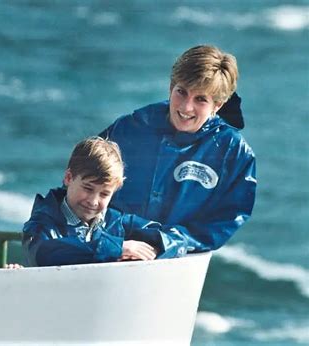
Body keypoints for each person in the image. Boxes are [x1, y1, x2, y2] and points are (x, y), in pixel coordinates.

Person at [99, 45, 257, 253]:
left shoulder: (234, 152)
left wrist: (166, 243)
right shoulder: (128, 129)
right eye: (181, 92)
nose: (186, 107)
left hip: (174, 263)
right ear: (171, 87)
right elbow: (82, 188)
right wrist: (114, 244)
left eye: (200, 99)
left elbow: (224, 220)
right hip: (110, 250)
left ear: (217, 105)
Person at [22, 137, 187, 267]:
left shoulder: (117, 222)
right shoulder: (42, 223)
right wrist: (117, 248)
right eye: (88, 188)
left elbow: (178, 239)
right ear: (68, 178)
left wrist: (154, 249)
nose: (93, 201)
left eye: (104, 194)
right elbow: (43, 253)